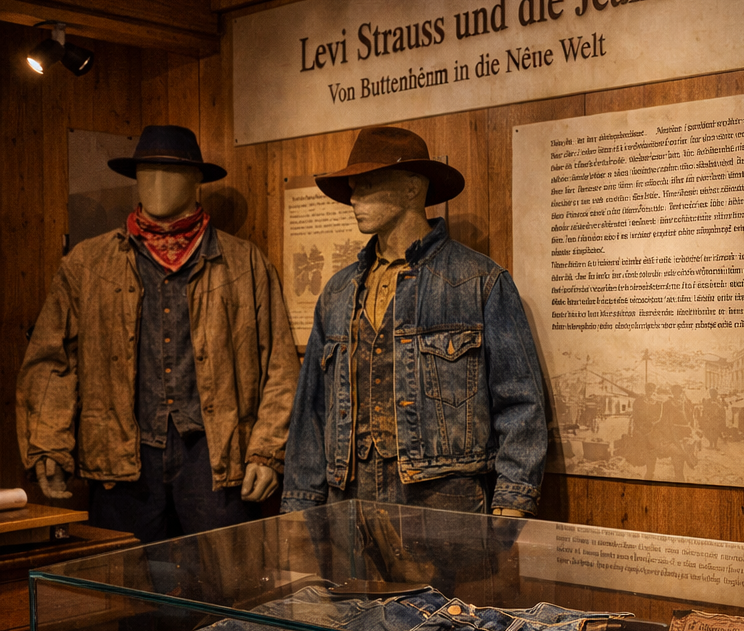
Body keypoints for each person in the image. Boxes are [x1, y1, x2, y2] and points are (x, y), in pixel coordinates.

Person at [16, 125, 298, 541]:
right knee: (123, 588)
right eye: (147, 171)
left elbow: (280, 366)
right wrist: (48, 444)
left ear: (198, 180)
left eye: (172, 171)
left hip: (216, 456)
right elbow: (51, 360)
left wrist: (268, 451)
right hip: (120, 456)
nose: (158, 182)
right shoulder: (88, 264)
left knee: (226, 585)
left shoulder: (244, 264)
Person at [281, 126, 546, 517]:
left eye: (367, 184)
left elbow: (520, 400)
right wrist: (301, 503)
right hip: (348, 504)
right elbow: (312, 411)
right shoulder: (337, 294)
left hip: (441, 502)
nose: (354, 197)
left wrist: (513, 498)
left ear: (410, 189)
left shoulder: (477, 282)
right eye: (353, 186)